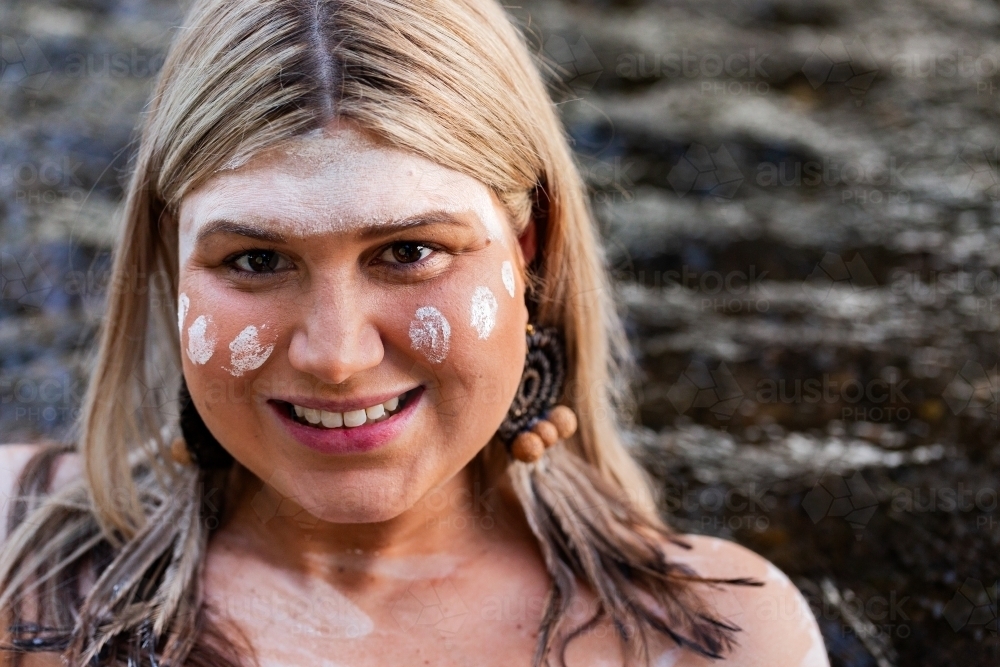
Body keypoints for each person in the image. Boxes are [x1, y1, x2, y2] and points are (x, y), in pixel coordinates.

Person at [0, 0, 829, 665]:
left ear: (528, 243)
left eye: (409, 250)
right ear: (172, 260)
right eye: (255, 260)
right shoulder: (18, 560)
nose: (335, 355)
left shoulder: (715, 636)